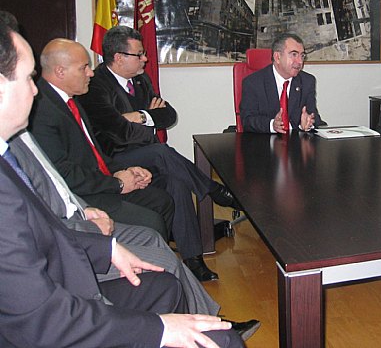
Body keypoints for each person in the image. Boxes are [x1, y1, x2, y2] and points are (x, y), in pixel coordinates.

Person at [0, 19, 243, 348]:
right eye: (29, 78)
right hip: (105, 181)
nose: (34, 88)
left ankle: (196, 263)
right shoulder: (90, 90)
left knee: (172, 180)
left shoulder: (126, 86)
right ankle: (214, 194)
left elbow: (166, 115)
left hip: (112, 173)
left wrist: (139, 120)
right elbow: (114, 134)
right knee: (160, 155)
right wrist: (120, 174)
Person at [30, 38, 217, 282]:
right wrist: (118, 182)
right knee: (155, 196)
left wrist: (128, 168)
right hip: (88, 194)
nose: (90, 72)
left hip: (112, 168)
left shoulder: (72, 99)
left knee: (172, 187)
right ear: (60, 71)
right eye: (83, 67)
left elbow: (166, 115)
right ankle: (155, 276)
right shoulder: (45, 110)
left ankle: (181, 265)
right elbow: (66, 172)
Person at [78, 25, 238, 210]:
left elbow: (169, 115)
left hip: (147, 153)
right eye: (139, 55)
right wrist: (149, 122)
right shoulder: (95, 85)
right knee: (161, 151)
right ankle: (215, 191)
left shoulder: (141, 79)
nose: (145, 59)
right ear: (119, 58)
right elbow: (120, 133)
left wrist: (141, 116)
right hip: (115, 160)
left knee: (177, 184)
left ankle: (193, 240)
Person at [240, 33, 325, 133]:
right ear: (277, 57)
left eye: (302, 56)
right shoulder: (253, 83)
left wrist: (308, 124)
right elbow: (247, 120)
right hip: (263, 143)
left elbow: (313, 117)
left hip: (295, 144)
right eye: (294, 54)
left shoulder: (307, 81)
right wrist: (272, 125)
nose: (299, 62)